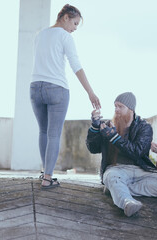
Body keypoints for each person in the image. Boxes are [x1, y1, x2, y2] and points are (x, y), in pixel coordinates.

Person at [30, 4, 101, 189]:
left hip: (35, 87)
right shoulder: (65, 36)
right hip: (57, 88)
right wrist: (90, 92)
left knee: (43, 131)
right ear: (65, 17)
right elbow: (76, 65)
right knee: (54, 134)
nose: (75, 28)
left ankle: (44, 172)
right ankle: (47, 178)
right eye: (75, 23)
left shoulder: (40, 35)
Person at [86, 92, 157, 217]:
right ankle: (126, 202)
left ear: (131, 109)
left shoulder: (144, 127)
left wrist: (114, 137)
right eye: (115, 106)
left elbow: (137, 152)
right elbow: (93, 148)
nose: (116, 110)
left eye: (120, 106)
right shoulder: (108, 126)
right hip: (116, 169)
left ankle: (115, 189)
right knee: (112, 177)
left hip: (141, 170)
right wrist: (95, 127)